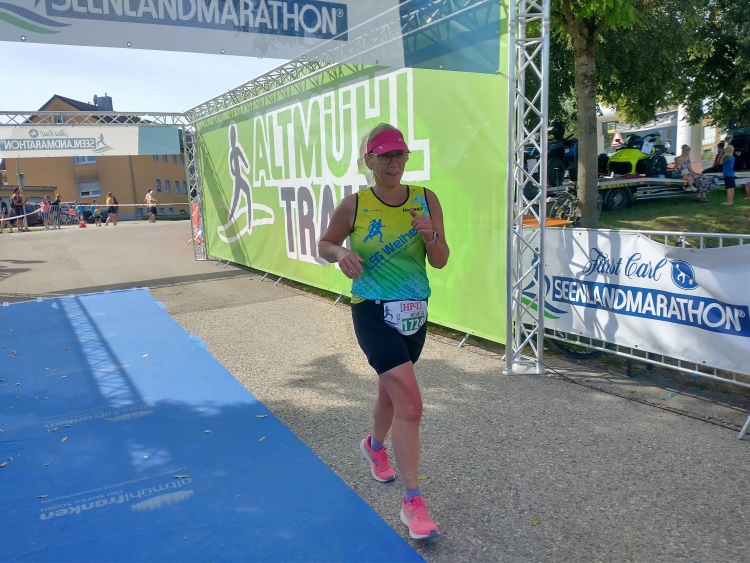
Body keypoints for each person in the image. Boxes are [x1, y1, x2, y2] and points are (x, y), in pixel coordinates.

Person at [318, 124, 449, 541]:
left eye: (400, 155)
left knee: (390, 394)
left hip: (415, 313)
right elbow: (325, 244)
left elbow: (440, 259)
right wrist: (340, 252)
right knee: (411, 405)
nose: (394, 162)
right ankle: (413, 502)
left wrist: (431, 236)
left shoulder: (425, 198)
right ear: (369, 160)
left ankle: (374, 447)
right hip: (372, 311)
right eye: (386, 155)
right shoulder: (355, 204)